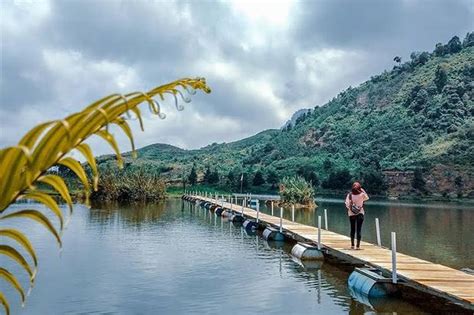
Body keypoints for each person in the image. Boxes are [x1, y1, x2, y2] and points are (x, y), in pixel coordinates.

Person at [345, 182, 369, 249]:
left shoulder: (349, 195)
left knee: (352, 229)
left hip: (351, 214)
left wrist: (351, 209)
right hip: (360, 213)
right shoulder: (362, 195)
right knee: (359, 230)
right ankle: (358, 246)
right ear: (359, 188)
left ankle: (352, 245)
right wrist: (363, 190)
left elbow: (347, 204)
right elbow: (367, 198)